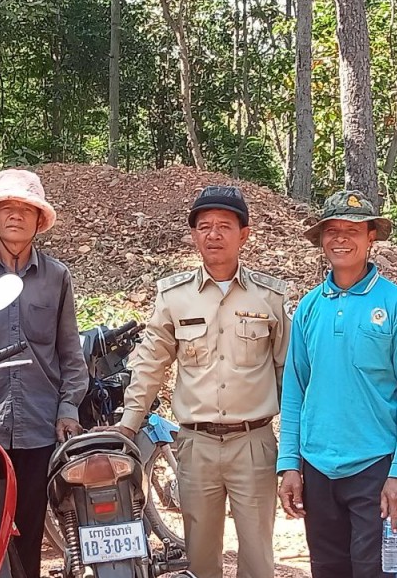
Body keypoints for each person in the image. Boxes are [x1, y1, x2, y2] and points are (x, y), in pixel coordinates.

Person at [109, 186, 291, 578]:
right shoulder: (174, 297)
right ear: (193, 235)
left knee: (258, 557)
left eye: (224, 226)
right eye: (204, 226)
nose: (213, 234)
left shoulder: (270, 297)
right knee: (200, 558)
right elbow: (150, 363)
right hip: (196, 446)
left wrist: (293, 445)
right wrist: (128, 424)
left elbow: (287, 372)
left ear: (244, 235)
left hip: (254, 443)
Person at [277, 190, 397, 578]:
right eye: (332, 230)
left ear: (370, 237)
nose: (341, 238)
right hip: (317, 468)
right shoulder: (309, 308)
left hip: (375, 470)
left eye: (353, 230)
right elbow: (294, 391)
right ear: (321, 238)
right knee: (328, 570)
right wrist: (289, 464)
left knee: (378, 571)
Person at [0, 169, 88, 578]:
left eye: (26, 209)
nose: (15, 216)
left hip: (40, 425)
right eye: (6, 208)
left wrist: (68, 409)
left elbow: (70, 352)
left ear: (39, 220)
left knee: (28, 531)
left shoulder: (57, 277)